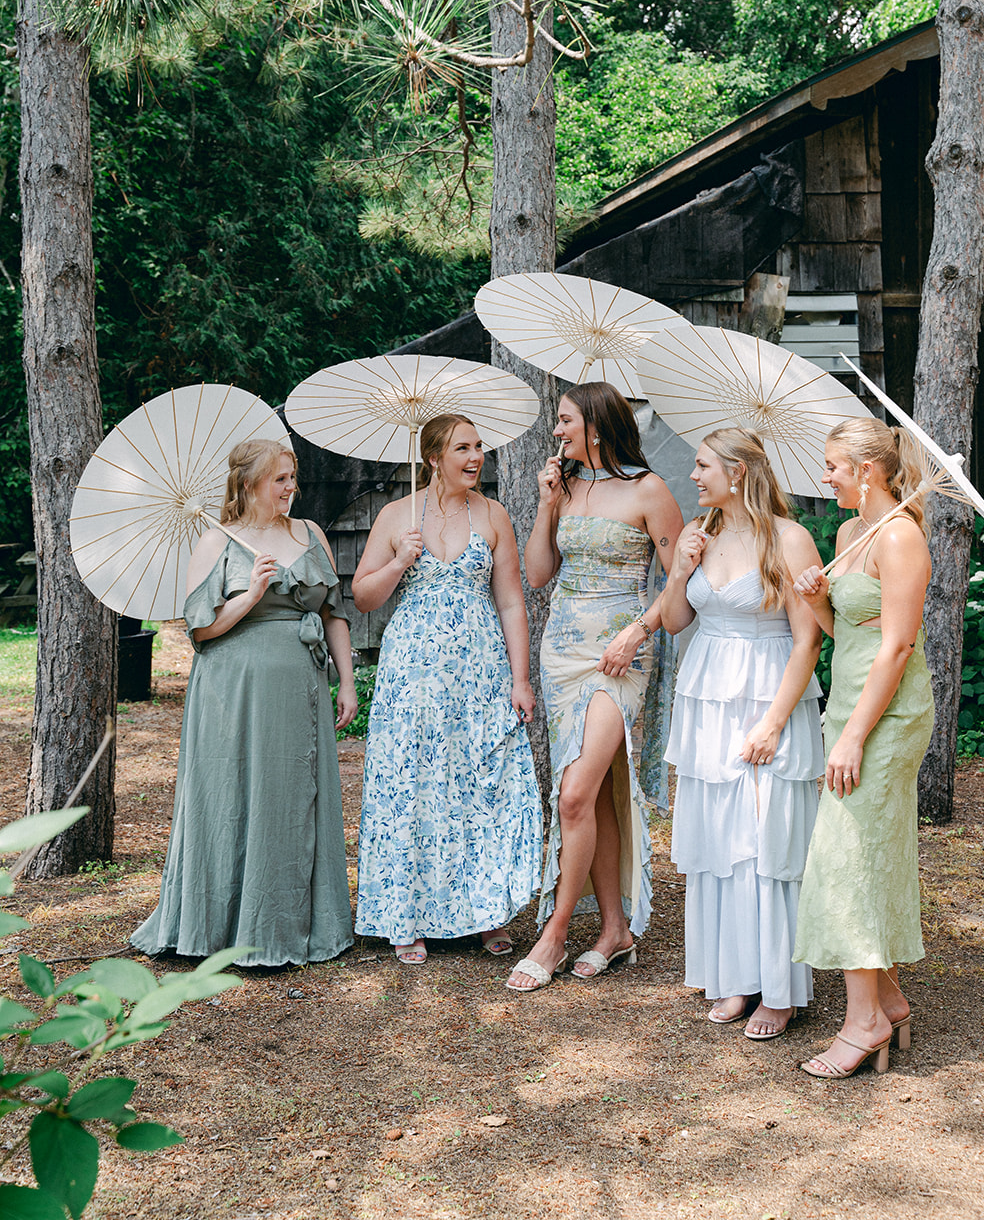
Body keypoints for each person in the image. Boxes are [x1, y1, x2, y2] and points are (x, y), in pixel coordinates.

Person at [132, 439, 356, 968]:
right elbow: (202, 629)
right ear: (250, 483)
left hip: (300, 687)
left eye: (292, 476)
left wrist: (346, 682)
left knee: (292, 796)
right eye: (279, 479)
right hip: (231, 692)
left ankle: (295, 924)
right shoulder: (217, 541)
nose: (290, 487)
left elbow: (334, 614)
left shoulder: (311, 534)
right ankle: (221, 927)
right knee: (230, 796)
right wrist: (249, 596)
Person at [507, 382, 684, 993]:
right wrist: (547, 503)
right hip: (562, 655)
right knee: (593, 793)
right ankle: (614, 930)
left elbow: (681, 584)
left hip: (620, 659)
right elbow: (536, 574)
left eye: (563, 421)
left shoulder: (650, 491)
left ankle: (554, 934)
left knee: (574, 794)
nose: (556, 432)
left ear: (597, 425)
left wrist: (637, 632)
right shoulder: (568, 486)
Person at [351, 413, 542, 965]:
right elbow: (363, 597)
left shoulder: (494, 515)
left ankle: (484, 914)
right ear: (434, 458)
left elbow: (510, 601)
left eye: (479, 446)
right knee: (413, 785)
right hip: (412, 674)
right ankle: (404, 917)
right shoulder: (395, 516)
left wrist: (520, 678)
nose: (476, 456)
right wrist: (401, 559)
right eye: (463, 448)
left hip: (481, 672)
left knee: (478, 783)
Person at [660, 427, 824, 1039]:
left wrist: (773, 722)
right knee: (718, 840)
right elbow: (677, 622)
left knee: (764, 841)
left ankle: (778, 989)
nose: (694, 475)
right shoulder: (701, 535)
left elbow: (807, 640)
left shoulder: (789, 538)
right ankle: (732, 976)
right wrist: (679, 570)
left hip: (767, 691)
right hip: (706, 694)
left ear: (739, 472)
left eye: (703, 466)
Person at [792, 416, 934, 1079]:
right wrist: (819, 600)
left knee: (848, 856)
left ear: (866, 471)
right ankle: (888, 1000)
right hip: (849, 700)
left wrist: (852, 737)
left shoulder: (901, 538)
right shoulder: (851, 533)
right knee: (859, 849)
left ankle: (863, 1021)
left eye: (832, 467)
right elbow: (843, 629)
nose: (825, 478)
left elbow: (897, 646)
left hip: (888, 713)